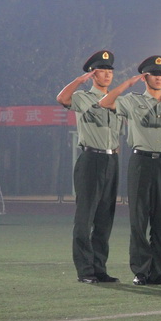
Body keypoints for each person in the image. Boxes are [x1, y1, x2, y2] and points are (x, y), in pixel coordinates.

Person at [98, 55, 161, 286]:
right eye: (154, 74)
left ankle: (158, 272)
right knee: (139, 219)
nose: (159, 78)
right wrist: (127, 84)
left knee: (159, 222)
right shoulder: (132, 100)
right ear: (145, 77)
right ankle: (141, 271)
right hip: (141, 162)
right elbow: (105, 103)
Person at [57, 50, 124, 284]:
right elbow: (62, 99)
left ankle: (99, 268)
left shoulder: (117, 101)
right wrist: (78, 80)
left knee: (105, 218)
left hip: (111, 160)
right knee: (85, 219)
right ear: (93, 74)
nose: (107, 74)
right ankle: (85, 270)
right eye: (101, 70)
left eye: (109, 70)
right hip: (90, 159)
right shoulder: (83, 97)